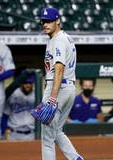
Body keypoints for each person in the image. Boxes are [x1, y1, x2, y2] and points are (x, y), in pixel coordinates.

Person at [37, 7, 83, 160]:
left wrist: (53, 97)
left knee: (47, 138)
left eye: (49, 21)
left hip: (58, 88)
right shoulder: (64, 38)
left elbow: (59, 68)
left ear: (58, 21)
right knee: (57, 132)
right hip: (68, 87)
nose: (45, 24)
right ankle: (76, 158)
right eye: (43, 21)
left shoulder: (58, 40)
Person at [3, 75, 35, 140]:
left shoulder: (37, 94)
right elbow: (5, 114)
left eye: (30, 83)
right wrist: (3, 131)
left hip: (31, 134)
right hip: (14, 133)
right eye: (25, 83)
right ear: (21, 83)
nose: (27, 85)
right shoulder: (13, 94)